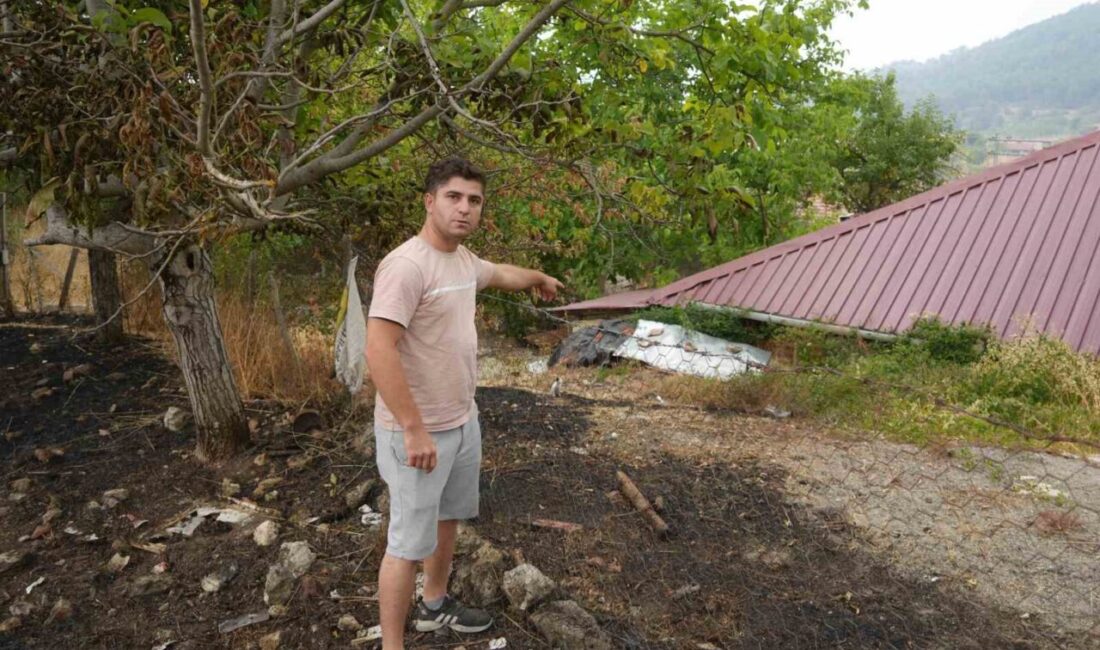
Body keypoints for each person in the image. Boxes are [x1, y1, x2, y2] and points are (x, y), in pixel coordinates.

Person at [366, 157, 563, 649]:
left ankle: (435, 606)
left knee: (449, 517)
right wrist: (413, 428)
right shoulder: (407, 266)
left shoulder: (462, 261)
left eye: (474, 201)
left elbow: (499, 274)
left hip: (461, 421)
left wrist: (538, 276)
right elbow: (377, 349)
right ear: (429, 201)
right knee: (406, 544)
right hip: (415, 431)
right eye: (454, 197)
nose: (465, 208)